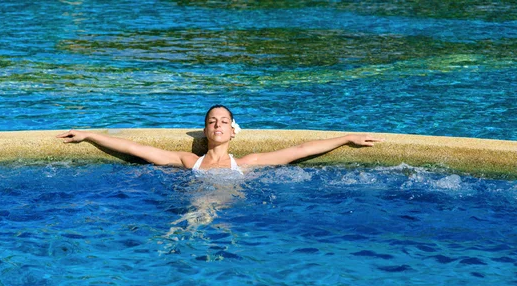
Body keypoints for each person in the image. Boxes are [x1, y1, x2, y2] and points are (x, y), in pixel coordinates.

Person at [56, 105, 383, 171]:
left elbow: (299, 150)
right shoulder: (188, 161)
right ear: (205, 130)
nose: (217, 125)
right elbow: (136, 148)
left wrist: (344, 138)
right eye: (212, 121)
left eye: (223, 121)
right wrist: (91, 135)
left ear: (231, 130)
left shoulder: (246, 163)